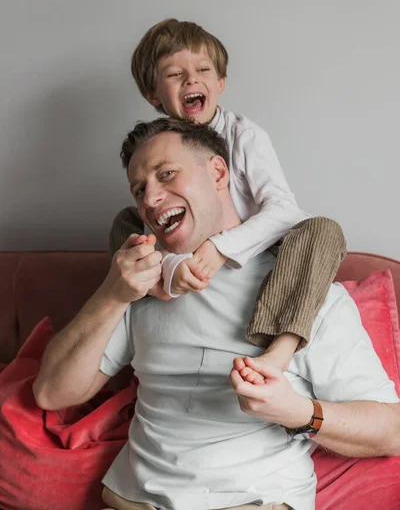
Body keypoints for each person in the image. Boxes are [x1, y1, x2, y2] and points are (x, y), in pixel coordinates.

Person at [33, 119, 400, 510]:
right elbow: (51, 392)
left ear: (219, 172)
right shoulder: (141, 284)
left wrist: (296, 412)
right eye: (140, 190)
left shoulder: (303, 287)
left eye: (167, 174)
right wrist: (113, 292)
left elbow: (391, 431)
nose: (151, 198)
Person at [110, 18, 347, 378]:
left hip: (255, 251)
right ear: (153, 95)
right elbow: (153, 223)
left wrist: (220, 248)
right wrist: (173, 268)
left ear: (219, 83)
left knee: (323, 230)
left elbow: (284, 211)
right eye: (175, 74)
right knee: (125, 222)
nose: (191, 79)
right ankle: (153, 286)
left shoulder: (244, 135)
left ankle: (279, 351)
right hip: (183, 254)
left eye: (203, 69)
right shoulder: (156, 152)